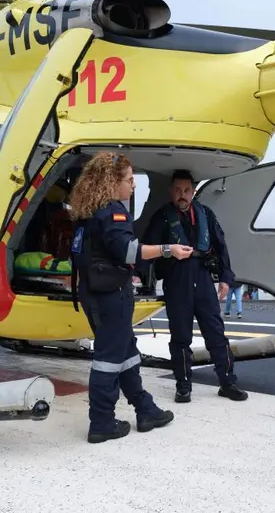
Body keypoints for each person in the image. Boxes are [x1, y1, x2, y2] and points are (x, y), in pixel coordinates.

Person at [67, 152, 188, 443]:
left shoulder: (87, 214)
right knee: (109, 358)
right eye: (129, 180)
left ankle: (145, 409)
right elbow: (129, 251)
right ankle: (101, 422)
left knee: (126, 352)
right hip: (111, 295)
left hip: (93, 292)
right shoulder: (113, 212)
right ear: (112, 182)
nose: (133, 185)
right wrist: (168, 249)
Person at [145, 169, 249, 403]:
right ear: (172, 192)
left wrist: (225, 278)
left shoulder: (206, 214)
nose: (182, 195)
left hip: (202, 277)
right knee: (180, 336)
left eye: (187, 190)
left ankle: (227, 383)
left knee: (216, 333)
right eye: (178, 190)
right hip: (176, 279)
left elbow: (221, 246)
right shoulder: (161, 216)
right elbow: (147, 250)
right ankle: (183, 386)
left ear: (193, 191)